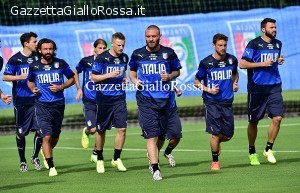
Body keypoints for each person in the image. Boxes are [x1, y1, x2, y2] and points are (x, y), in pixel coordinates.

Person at [129, 25, 182, 180]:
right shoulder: (137, 54)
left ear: (160, 36)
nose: (150, 39)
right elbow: (132, 71)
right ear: (145, 37)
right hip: (145, 100)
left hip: (165, 100)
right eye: (148, 36)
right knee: (151, 136)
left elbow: (177, 71)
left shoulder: (168, 53)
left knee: (162, 135)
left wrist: (170, 76)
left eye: (153, 36)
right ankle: (155, 168)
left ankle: (154, 156)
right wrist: (134, 79)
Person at [240, 18, 285, 165]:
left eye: (275, 27)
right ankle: (252, 151)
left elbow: (275, 59)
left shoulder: (278, 44)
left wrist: (279, 60)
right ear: (263, 29)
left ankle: (268, 149)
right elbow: (242, 64)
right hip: (257, 88)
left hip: (274, 86)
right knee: (253, 121)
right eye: (272, 27)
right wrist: (262, 64)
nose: (275, 30)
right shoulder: (254, 44)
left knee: (277, 118)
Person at [27, 38, 75, 176]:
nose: (48, 51)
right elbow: (30, 81)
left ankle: (45, 150)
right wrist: (33, 89)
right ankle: (51, 166)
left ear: (54, 50)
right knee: (46, 137)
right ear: (40, 50)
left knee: (54, 137)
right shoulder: (34, 66)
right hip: (41, 106)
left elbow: (72, 78)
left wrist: (62, 86)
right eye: (45, 49)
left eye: (50, 49)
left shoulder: (61, 64)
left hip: (58, 105)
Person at [194, 33, 239, 171]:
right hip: (211, 102)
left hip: (227, 102)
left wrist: (235, 83)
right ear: (214, 46)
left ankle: (217, 142)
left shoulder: (232, 60)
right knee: (215, 133)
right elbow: (196, 82)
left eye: (225, 45)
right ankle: (215, 162)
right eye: (220, 45)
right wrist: (208, 89)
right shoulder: (206, 63)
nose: (223, 48)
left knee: (228, 135)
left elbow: (235, 73)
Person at [2, 32, 43, 172]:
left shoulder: (38, 57)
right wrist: (20, 76)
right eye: (34, 41)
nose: (36, 44)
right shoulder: (15, 59)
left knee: (41, 129)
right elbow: (5, 77)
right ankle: (22, 161)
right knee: (21, 132)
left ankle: (35, 157)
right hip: (21, 101)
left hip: (37, 100)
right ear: (26, 43)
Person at [91, 32, 128, 174]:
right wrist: (109, 75)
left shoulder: (125, 57)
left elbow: (123, 72)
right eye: (119, 45)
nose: (121, 48)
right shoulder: (102, 58)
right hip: (104, 98)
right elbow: (93, 77)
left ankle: (116, 158)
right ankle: (99, 159)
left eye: (123, 45)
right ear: (112, 44)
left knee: (122, 129)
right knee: (101, 129)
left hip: (119, 97)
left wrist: (124, 79)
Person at [74, 39, 107, 163]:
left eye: (104, 48)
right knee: (93, 129)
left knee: (101, 129)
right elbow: (75, 72)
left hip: (104, 100)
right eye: (100, 48)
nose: (102, 50)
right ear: (94, 49)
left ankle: (95, 152)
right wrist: (78, 88)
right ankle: (86, 131)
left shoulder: (108, 62)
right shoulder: (86, 61)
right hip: (89, 100)